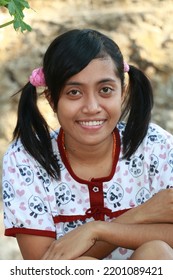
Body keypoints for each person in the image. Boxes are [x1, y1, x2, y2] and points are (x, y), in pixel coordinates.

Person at [2, 28, 173, 260]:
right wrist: (139, 215)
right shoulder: (26, 159)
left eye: (105, 90)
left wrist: (97, 229)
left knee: (157, 251)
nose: (92, 106)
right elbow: (45, 266)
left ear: (122, 93)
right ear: (52, 100)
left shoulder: (156, 146)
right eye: (74, 92)